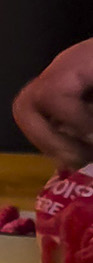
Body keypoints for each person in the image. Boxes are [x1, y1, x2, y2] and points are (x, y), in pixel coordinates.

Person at [16, 39, 93, 167]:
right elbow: (51, 95)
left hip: (26, 103)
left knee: (75, 158)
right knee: (76, 157)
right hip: (47, 100)